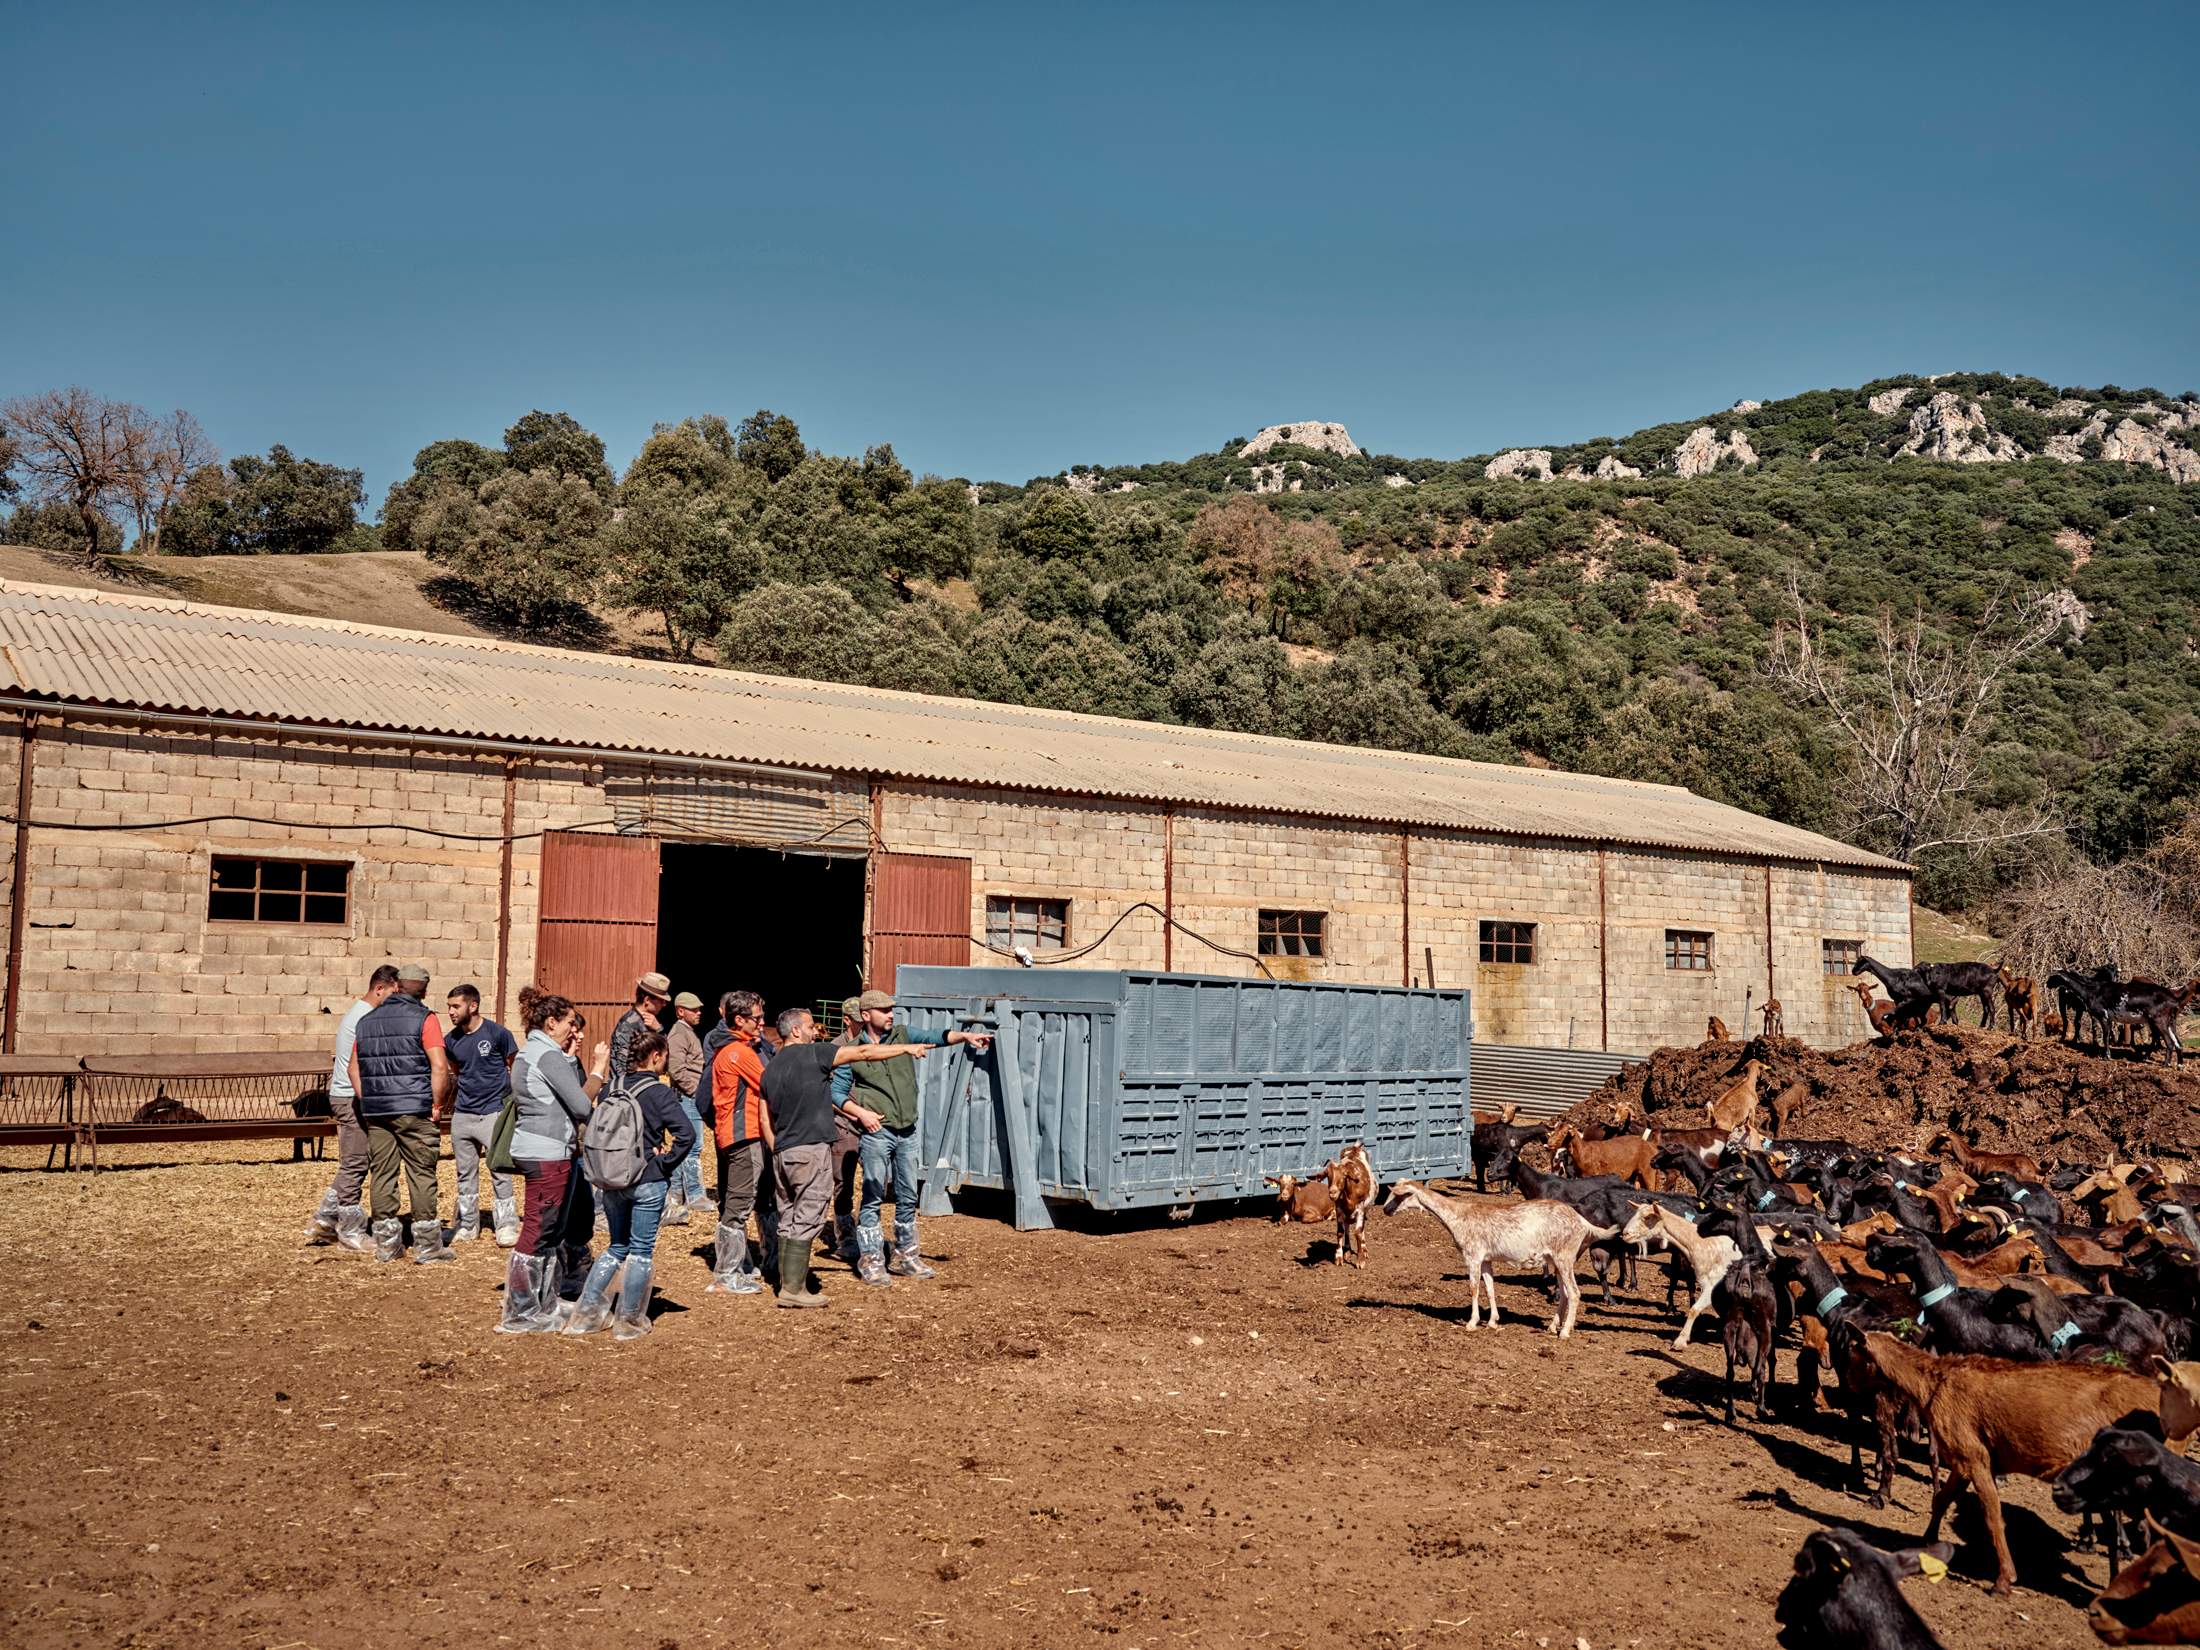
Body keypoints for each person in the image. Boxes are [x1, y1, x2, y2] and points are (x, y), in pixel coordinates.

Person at [758, 1006, 932, 1309]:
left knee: (788, 1216)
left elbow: (763, 1119)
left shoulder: (770, 1068)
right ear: (796, 1031)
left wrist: (778, 1147)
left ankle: (785, 1283)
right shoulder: (814, 1054)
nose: (816, 1030)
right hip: (810, 1149)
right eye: (811, 1026)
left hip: (782, 1151)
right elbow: (863, 1054)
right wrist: (906, 1047)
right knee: (809, 1216)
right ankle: (794, 1290)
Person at [837, 987, 992, 1285]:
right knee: (873, 1197)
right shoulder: (854, 1051)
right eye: (885, 1011)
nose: (891, 1014)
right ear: (866, 1016)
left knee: (907, 1195)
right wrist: (861, 1113)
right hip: (877, 1133)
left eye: (892, 1009)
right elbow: (836, 1093)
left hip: (907, 1130)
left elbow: (936, 1036)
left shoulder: (902, 1035)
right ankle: (870, 1260)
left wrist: (966, 1037)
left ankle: (906, 1256)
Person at [564, 1030, 695, 1340]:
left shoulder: (612, 1087)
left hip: (611, 1178)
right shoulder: (659, 1092)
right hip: (646, 1179)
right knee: (640, 1251)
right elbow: (686, 1134)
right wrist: (663, 1163)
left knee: (615, 1247)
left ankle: (587, 1315)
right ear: (656, 1056)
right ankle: (629, 1320)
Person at [498, 993, 609, 1333]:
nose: (573, 1029)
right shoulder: (546, 1054)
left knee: (550, 1230)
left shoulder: (534, 1051)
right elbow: (580, 1104)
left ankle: (543, 1301)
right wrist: (598, 1070)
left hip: (541, 1149)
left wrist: (571, 1060)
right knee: (538, 1229)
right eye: (569, 1022)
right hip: (546, 1152)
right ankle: (520, 1310)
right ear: (551, 1023)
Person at [347, 962, 456, 1264]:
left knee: (382, 1173)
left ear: (396, 985)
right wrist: (437, 1103)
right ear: (424, 991)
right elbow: (439, 1066)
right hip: (414, 1109)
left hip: (377, 1111)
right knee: (421, 1173)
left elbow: (352, 1068)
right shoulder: (426, 1018)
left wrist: (369, 1099)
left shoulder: (366, 1021)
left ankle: (386, 1244)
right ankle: (427, 1246)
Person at [303, 964, 398, 1250]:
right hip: (350, 1096)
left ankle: (325, 1220)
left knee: (355, 1161)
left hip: (347, 1095)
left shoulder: (358, 1014)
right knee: (355, 1163)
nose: (394, 1000)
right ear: (379, 989)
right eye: (392, 993)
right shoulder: (365, 1018)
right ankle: (351, 1230)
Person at [705, 990, 773, 1295]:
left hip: (734, 1135)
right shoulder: (741, 1054)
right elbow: (772, 1084)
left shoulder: (728, 1049)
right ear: (739, 1020)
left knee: (738, 1202)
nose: (761, 1023)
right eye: (756, 1018)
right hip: (744, 1135)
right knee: (739, 1204)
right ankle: (727, 1273)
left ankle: (736, 1268)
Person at [443, 983, 519, 1245]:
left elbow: (514, 1066)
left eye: (456, 1006)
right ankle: (467, 1224)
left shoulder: (498, 1034)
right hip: (463, 1114)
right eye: (449, 1007)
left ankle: (507, 1224)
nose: (451, 1012)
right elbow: (457, 1070)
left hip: (493, 1112)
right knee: (465, 1172)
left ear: (472, 1006)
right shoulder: (450, 1040)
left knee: (500, 1170)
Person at [822, 996, 867, 1265]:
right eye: (858, 1021)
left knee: (877, 1181)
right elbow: (828, 1091)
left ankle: (867, 1231)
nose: (863, 1025)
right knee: (843, 1182)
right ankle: (845, 1236)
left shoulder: (873, 1046)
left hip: (871, 1123)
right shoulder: (834, 1050)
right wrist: (849, 1111)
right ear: (847, 1020)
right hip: (844, 1123)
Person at [662, 990, 710, 1224]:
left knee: (686, 1144)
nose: (699, 1013)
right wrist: (695, 1091)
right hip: (687, 1096)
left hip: (688, 1095)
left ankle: (677, 1194)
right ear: (681, 1011)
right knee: (693, 1145)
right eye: (694, 1009)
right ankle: (695, 1195)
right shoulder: (679, 1034)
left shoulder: (685, 1032)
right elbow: (676, 1068)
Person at [610, 971, 672, 1081]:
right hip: (629, 1091)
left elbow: (664, 1056)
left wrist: (659, 1030)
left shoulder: (652, 1023)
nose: (664, 1004)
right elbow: (622, 1067)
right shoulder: (628, 1025)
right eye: (661, 1000)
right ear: (647, 1000)